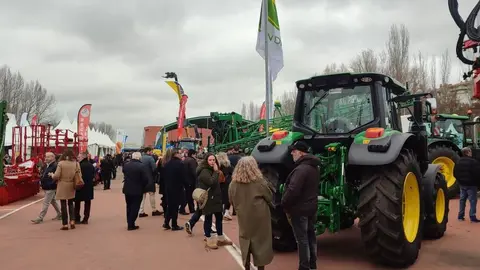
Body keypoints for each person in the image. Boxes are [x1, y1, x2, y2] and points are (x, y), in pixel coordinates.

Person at [281, 141, 321, 270]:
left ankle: (304, 267)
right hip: (310, 208)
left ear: (301, 152)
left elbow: (293, 190)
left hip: (299, 210)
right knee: (311, 237)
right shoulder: (313, 167)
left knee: (302, 240)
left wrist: (284, 203)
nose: (292, 153)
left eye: (294, 150)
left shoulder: (301, 169)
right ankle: (312, 264)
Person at [229, 156, 273, 270]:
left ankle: (246, 265)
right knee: (261, 241)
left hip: (243, 216)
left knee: (245, 239)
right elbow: (269, 197)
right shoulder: (259, 182)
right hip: (260, 216)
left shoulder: (233, 184)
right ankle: (260, 267)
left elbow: (231, 200)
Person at [197, 153, 232, 249]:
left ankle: (221, 238)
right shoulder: (204, 171)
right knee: (208, 218)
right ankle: (208, 239)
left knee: (219, 217)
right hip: (208, 198)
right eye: (210, 160)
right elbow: (211, 182)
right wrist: (216, 172)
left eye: (214, 160)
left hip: (216, 198)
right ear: (206, 161)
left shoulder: (215, 170)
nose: (212, 162)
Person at [51, 149, 79, 230]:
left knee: (63, 205)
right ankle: (72, 221)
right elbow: (79, 174)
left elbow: (56, 175)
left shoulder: (61, 163)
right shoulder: (76, 163)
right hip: (71, 184)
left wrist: (52, 175)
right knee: (71, 203)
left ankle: (65, 224)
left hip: (62, 184)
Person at [122, 152, 150, 230]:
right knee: (135, 206)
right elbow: (145, 179)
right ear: (139, 158)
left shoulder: (126, 165)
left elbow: (124, 172)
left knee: (129, 206)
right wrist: (143, 185)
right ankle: (131, 223)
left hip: (127, 188)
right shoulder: (142, 166)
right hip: (138, 189)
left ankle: (129, 222)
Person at [31, 152, 61, 224]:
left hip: (50, 187)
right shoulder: (47, 165)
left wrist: (51, 184)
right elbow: (44, 174)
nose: (46, 158)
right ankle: (60, 214)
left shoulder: (55, 166)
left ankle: (40, 217)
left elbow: (56, 176)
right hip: (47, 186)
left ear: (53, 158)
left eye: (48, 157)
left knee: (46, 202)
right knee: (53, 201)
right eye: (46, 157)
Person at [162, 148, 187, 231]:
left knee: (171, 206)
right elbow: (183, 177)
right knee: (175, 206)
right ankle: (174, 224)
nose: (181, 154)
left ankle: (166, 222)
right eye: (180, 153)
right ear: (176, 154)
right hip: (177, 187)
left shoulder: (167, 164)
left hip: (168, 187)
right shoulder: (180, 164)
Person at [453, 147, 480, 222]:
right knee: (473, 201)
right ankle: (472, 216)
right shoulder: (473, 162)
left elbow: (455, 173)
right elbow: (477, 173)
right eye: (470, 151)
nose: (471, 153)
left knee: (462, 200)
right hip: (471, 185)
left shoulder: (458, 161)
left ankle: (460, 216)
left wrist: (460, 181)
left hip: (462, 184)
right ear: (468, 152)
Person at [139, 147, 162, 217]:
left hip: (141, 179)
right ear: (148, 151)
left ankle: (141, 211)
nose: (152, 152)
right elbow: (154, 169)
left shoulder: (140, 158)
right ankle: (154, 210)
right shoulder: (150, 158)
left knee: (142, 196)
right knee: (152, 194)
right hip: (149, 179)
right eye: (151, 151)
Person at [74, 152, 95, 224]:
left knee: (77, 202)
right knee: (87, 202)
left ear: (83, 157)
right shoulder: (91, 165)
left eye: (79, 157)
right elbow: (93, 175)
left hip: (80, 185)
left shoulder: (79, 165)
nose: (77, 158)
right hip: (89, 186)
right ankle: (86, 218)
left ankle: (77, 217)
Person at [216, 152, 233, 220]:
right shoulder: (228, 164)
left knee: (220, 197)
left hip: (219, 182)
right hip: (227, 182)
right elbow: (232, 172)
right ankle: (226, 212)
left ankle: (219, 212)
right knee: (227, 197)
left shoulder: (217, 165)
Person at [181, 149, 197, 214]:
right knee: (189, 196)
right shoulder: (192, 161)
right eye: (195, 154)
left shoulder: (186, 159)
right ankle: (185, 208)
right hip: (191, 181)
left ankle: (189, 208)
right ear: (193, 154)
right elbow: (194, 172)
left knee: (188, 195)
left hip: (186, 180)